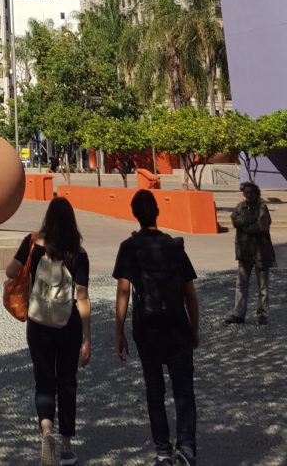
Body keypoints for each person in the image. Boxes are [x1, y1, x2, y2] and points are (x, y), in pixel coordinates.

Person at [113, 188, 199, 466]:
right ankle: (185, 450)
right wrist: (194, 329)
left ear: (134, 214)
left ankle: (162, 451)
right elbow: (190, 294)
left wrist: (119, 331)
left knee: (154, 390)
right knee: (184, 390)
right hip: (177, 326)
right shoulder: (174, 247)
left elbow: (124, 292)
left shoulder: (129, 247)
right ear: (157, 212)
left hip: (146, 328)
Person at [5, 197, 91, 466]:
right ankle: (66, 446)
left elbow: (10, 271)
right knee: (67, 382)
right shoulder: (79, 253)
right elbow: (83, 297)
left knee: (44, 380)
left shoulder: (33, 244)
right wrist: (87, 337)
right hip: (69, 325)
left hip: (39, 323)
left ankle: (46, 430)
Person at [226, 180, 276, 325]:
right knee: (241, 284)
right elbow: (235, 221)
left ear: (256, 194)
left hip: (261, 252)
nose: (248, 195)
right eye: (246, 192)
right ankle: (238, 314)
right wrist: (250, 221)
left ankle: (263, 314)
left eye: (251, 193)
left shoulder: (262, 207)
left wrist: (245, 225)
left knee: (263, 285)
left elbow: (262, 227)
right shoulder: (240, 207)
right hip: (244, 252)